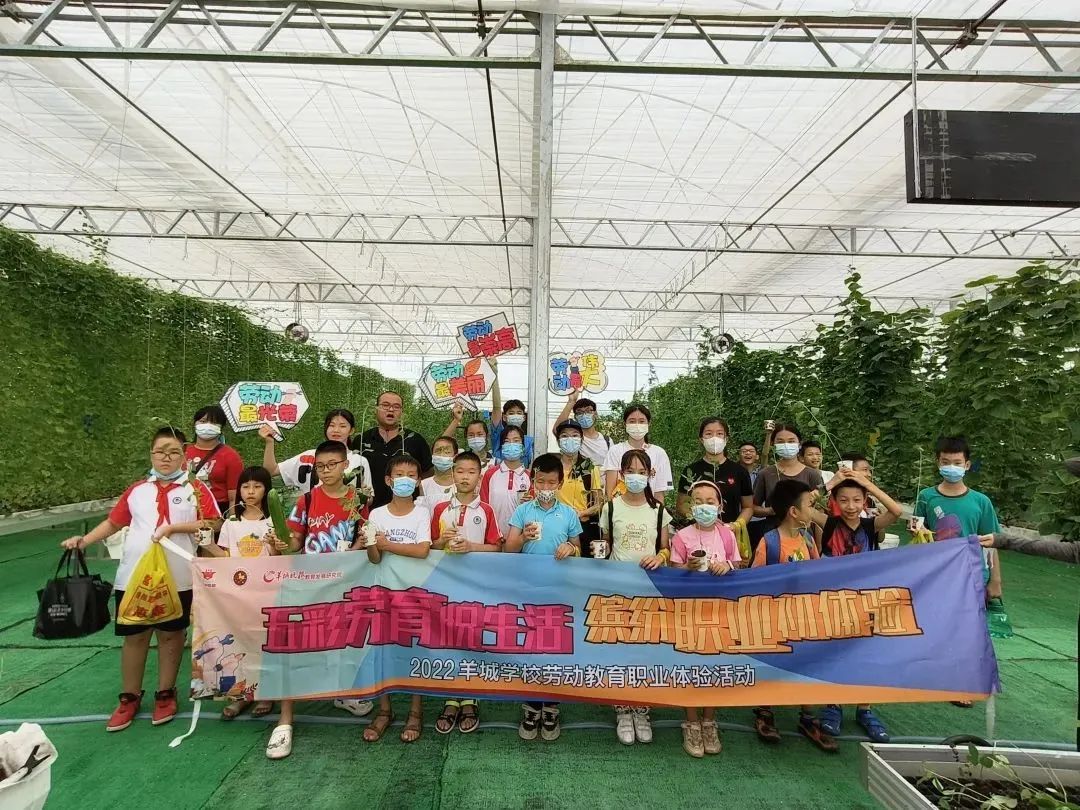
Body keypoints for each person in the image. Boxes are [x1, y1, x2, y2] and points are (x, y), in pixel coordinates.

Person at [60, 427, 222, 733]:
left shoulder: (195, 489)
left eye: (174, 452)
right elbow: (114, 522)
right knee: (135, 636)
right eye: (160, 451)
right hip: (134, 578)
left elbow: (213, 522)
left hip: (178, 577)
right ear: (151, 455)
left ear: (184, 456)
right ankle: (129, 697)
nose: (166, 458)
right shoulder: (137, 491)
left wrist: (175, 528)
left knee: (171, 635)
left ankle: (166, 693)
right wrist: (84, 540)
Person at [266, 440, 373, 759]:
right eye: (320, 466)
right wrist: (281, 543)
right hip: (308, 584)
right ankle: (285, 721)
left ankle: (344, 693)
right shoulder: (307, 499)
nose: (325, 471)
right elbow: (295, 541)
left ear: (345, 466)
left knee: (345, 640)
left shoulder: (358, 500)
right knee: (293, 647)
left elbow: (363, 538)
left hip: (345, 582)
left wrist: (355, 550)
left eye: (332, 465)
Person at [808, 469, 903, 743]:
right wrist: (833, 482)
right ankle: (833, 704)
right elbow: (803, 506)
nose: (851, 506)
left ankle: (865, 709)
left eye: (857, 500)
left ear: (865, 501)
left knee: (865, 653)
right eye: (844, 500)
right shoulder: (829, 523)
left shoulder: (870, 526)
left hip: (867, 600)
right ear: (835, 501)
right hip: (834, 600)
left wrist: (866, 483)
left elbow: (896, 511)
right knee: (835, 651)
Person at [912, 436, 1004, 706]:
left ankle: (963, 685)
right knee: (937, 624)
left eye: (956, 462)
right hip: (938, 574)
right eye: (945, 462)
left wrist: (995, 580)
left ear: (967, 465)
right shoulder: (926, 497)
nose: (950, 467)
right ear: (937, 462)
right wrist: (918, 534)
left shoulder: (980, 502)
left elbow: (991, 543)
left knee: (968, 630)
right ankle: (935, 675)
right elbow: (918, 535)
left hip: (972, 575)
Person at [748, 479, 836, 752]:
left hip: (803, 616)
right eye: (810, 505)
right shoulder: (770, 542)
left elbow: (817, 572)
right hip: (774, 618)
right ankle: (765, 711)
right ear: (794, 512)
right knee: (772, 661)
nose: (814, 510)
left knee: (807, 663)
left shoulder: (808, 540)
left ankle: (808, 716)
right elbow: (755, 579)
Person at [505, 453, 583, 743]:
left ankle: (551, 706)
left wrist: (571, 549)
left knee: (554, 648)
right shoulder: (523, 511)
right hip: (527, 589)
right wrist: (522, 538)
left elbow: (578, 548)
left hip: (559, 590)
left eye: (551, 482)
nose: (546, 487)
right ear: (533, 482)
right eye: (541, 482)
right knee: (530, 648)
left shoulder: (569, 514)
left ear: (560, 483)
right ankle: (531, 706)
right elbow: (508, 550)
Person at [597, 449, 671, 747]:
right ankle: (622, 708)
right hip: (617, 589)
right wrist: (600, 554)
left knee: (645, 649)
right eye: (630, 471)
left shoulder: (659, 510)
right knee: (620, 648)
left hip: (648, 590)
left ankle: (642, 709)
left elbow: (666, 548)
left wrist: (660, 557)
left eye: (642, 471)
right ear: (621, 474)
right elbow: (605, 544)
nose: (636, 476)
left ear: (651, 475)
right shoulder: (610, 507)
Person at [430, 450, 502, 735]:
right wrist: (440, 541)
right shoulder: (439, 509)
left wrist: (471, 547)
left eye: (471, 472)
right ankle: (450, 698)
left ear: (479, 477)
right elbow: (430, 547)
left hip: (476, 585)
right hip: (445, 585)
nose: (465, 477)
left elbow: (496, 547)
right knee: (448, 638)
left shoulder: (486, 510)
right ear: (452, 474)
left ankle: (470, 698)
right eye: (460, 471)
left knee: (472, 638)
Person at [364, 453, 432, 745]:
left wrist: (387, 543)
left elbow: (422, 550)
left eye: (411, 475)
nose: (405, 480)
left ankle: (415, 712)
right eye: (399, 475)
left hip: (415, 591)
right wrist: (371, 543)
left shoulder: (421, 513)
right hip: (383, 590)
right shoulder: (376, 514)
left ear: (417, 482)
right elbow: (374, 558)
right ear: (388, 480)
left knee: (415, 649)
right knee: (383, 650)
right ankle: (385, 710)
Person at [668, 480, 740, 757]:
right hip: (690, 611)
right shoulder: (681, 536)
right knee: (690, 665)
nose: (704, 507)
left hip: (719, 611)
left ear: (720, 507)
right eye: (698, 501)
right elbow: (673, 572)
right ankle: (691, 722)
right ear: (690, 507)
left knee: (714, 666)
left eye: (710, 502)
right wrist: (687, 566)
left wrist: (727, 565)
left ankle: (709, 721)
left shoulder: (727, 535)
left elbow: (737, 562)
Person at [203, 465, 280, 720]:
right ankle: (242, 695)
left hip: (266, 592)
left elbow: (280, 558)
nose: (251, 491)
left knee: (264, 643)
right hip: (238, 593)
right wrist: (207, 544)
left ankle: (266, 693)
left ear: (267, 490)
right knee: (239, 643)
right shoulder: (231, 523)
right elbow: (224, 556)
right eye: (246, 486)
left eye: (257, 486)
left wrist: (274, 545)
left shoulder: (273, 522)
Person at [260, 408, 372, 499]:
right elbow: (271, 470)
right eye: (332, 425)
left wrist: (364, 496)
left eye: (342, 426)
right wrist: (269, 442)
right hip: (311, 516)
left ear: (351, 430)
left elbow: (369, 498)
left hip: (346, 518)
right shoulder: (308, 457)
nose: (336, 430)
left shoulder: (360, 461)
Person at [751, 424, 824, 549]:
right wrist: (771, 510)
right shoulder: (766, 474)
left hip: (804, 536)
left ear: (799, 444)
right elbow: (753, 507)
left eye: (791, 441)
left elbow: (820, 510)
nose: (786, 445)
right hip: (773, 537)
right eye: (780, 441)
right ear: (773, 444)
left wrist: (819, 544)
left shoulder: (812, 474)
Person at [358, 391, 433, 508]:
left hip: (408, 509)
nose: (391, 409)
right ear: (376, 409)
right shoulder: (362, 440)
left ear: (402, 412)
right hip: (369, 509)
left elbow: (428, 472)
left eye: (396, 407)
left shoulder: (415, 440)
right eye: (385, 405)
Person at [676, 417, 754, 527]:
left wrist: (735, 526)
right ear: (701, 439)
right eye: (708, 434)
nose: (714, 438)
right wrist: (703, 519)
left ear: (726, 438)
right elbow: (681, 506)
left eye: (719, 434)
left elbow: (748, 507)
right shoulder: (691, 471)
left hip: (729, 532)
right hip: (698, 531)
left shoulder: (739, 471)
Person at [553, 419, 605, 558]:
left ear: (581, 440)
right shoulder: (552, 467)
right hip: (556, 526)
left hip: (582, 527)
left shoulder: (588, 467)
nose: (570, 439)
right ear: (558, 441)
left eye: (575, 435)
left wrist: (581, 513)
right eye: (564, 436)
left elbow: (599, 503)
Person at [602, 404, 673, 501]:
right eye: (632, 421)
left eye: (641, 421)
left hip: (649, 508)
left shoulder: (659, 453)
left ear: (649, 423)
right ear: (625, 424)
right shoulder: (615, 451)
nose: (637, 425)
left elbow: (659, 495)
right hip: (620, 507)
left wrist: (658, 510)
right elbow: (610, 492)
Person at [186, 405, 243, 516]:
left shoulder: (231, 456)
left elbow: (234, 498)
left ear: (221, 427)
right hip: (186, 507)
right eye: (203, 421)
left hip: (217, 511)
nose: (208, 425)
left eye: (213, 422)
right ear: (194, 424)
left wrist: (232, 521)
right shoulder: (183, 452)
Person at [479, 424, 531, 539]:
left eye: (516, 441)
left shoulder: (530, 477)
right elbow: (483, 506)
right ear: (502, 447)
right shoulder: (490, 474)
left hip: (521, 539)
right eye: (507, 441)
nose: (511, 444)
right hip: (493, 538)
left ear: (523, 446)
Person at [553, 389, 611, 467]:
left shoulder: (607, 441)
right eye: (579, 412)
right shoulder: (575, 439)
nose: (584, 415)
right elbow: (557, 430)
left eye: (588, 411)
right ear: (575, 417)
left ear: (595, 414)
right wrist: (571, 401)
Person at [442, 405, 496, 471]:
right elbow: (442, 444)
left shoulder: (495, 459)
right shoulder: (460, 457)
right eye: (471, 435)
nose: (475, 438)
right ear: (466, 437)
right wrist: (456, 420)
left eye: (480, 434)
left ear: (486, 436)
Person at [491, 398, 534, 467]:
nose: (515, 416)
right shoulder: (499, 435)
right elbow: (496, 408)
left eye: (519, 413)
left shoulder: (529, 441)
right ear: (504, 417)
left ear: (524, 417)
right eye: (511, 413)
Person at [421, 436, 458, 512]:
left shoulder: (463, 483)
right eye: (438, 451)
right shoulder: (423, 485)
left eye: (447, 452)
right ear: (432, 455)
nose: (442, 455)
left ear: (455, 456)